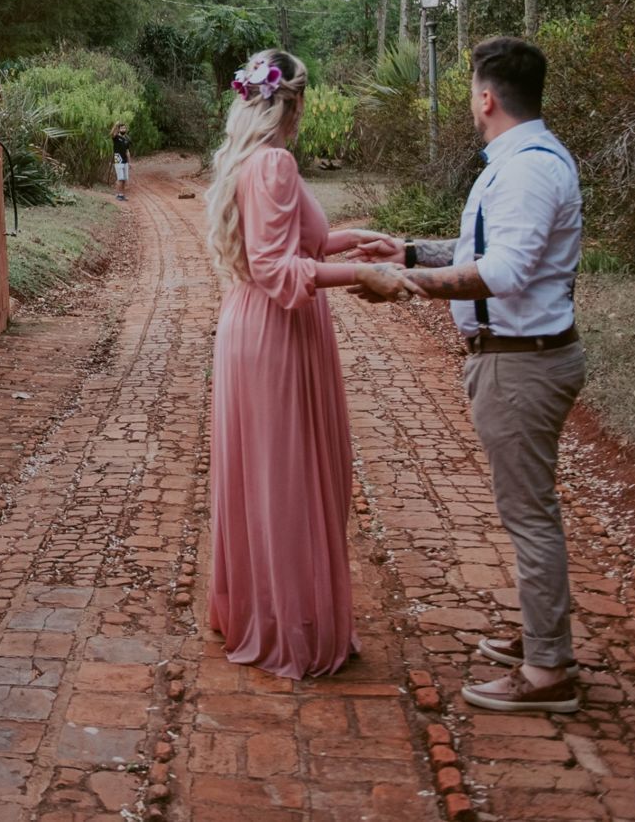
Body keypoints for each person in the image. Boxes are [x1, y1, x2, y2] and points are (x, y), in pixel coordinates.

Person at [348, 37, 587, 714]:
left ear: (486, 97)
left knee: (529, 515)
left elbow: (505, 274)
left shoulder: (526, 170)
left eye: (469, 91)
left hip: (524, 360)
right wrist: (409, 250)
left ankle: (548, 671)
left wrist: (404, 282)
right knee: (530, 509)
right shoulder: (521, 162)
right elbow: (498, 250)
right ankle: (542, 636)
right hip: (522, 355)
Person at [202, 50, 416, 678]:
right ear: (292, 103)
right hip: (277, 332)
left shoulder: (252, 160)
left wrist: (358, 240)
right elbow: (275, 269)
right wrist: (362, 274)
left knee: (275, 476)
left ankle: (266, 610)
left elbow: (301, 242)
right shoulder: (274, 162)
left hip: (263, 328)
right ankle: (289, 627)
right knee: (289, 481)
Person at [111, 121, 130, 200]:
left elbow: (127, 151)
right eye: (121, 128)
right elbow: (112, 133)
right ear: (119, 129)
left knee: (125, 179)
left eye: (124, 128)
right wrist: (116, 125)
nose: (123, 129)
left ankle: (122, 195)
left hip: (125, 161)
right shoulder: (116, 137)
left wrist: (129, 162)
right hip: (118, 160)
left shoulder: (127, 139)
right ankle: (118, 195)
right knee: (120, 178)